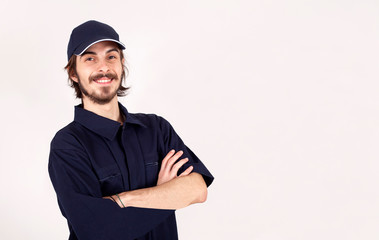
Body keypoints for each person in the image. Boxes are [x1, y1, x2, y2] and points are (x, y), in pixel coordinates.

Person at [48, 20, 214, 240]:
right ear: (73, 73)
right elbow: (96, 230)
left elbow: (197, 190)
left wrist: (121, 201)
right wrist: (165, 194)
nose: (103, 67)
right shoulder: (68, 144)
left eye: (111, 56)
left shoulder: (157, 129)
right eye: (90, 58)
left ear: (121, 63)